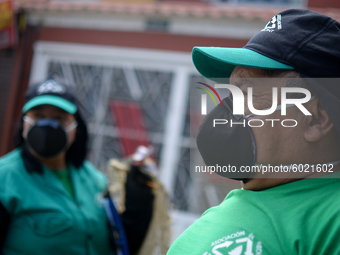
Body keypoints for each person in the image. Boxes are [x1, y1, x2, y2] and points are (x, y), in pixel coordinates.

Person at [168, 9, 340, 255]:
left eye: (247, 93)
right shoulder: (229, 209)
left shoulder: (330, 220)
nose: (225, 111)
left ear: (315, 119)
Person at [0, 79, 154, 255]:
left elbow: (120, 245)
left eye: (59, 118)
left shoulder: (94, 180)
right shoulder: (4, 180)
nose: (48, 126)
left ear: (76, 126)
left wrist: (138, 203)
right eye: (39, 116)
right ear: (24, 123)